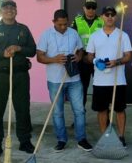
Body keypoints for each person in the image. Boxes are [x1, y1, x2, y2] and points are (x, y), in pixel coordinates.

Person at [0, 0, 36, 158]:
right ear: (1, 11)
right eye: (6, 8)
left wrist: (19, 48)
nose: (9, 10)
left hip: (20, 75)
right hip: (0, 76)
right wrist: (1, 54)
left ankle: (25, 141)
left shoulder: (23, 29)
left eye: (12, 8)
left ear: (16, 11)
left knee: (23, 109)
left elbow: (32, 50)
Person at [36, 9, 92, 152]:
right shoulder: (46, 35)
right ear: (54, 22)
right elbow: (39, 57)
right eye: (60, 24)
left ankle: (81, 139)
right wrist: (54, 59)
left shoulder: (73, 33)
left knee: (79, 110)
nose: (63, 27)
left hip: (74, 79)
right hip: (55, 80)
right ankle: (61, 139)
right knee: (57, 111)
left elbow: (81, 49)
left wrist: (79, 56)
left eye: (65, 24)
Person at [86, 6, 132, 147]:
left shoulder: (122, 35)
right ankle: (104, 136)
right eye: (107, 14)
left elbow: (128, 56)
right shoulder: (95, 35)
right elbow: (89, 55)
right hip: (100, 81)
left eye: (112, 15)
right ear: (102, 17)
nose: (110, 17)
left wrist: (116, 62)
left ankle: (121, 137)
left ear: (116, 17)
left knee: (119, 109)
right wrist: (96, 61)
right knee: (102, 110)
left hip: (118, 80)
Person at [71, 0, 104, 108]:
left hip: (98, 57)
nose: (91, 10)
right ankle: (80, 116)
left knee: (101, 87)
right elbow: (71, 39)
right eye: (88, 7)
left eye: (93, 8)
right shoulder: (77, 20)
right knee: (82, 88)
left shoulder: (102, 20)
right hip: (83, 57)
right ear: (84, 8)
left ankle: (104, 116)